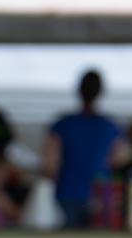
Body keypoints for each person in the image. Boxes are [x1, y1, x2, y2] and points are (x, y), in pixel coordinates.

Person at [42, 70, 123, 229]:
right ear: (100, 92)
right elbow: (119, 163)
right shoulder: (111, 127)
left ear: (78, 90)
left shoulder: (62, 125)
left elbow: (49, 166)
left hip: (67, 194)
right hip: (100, 196)